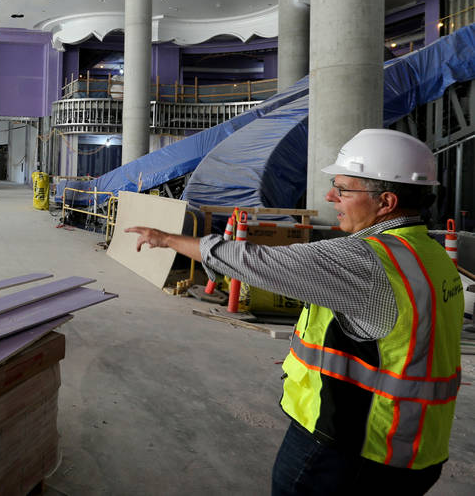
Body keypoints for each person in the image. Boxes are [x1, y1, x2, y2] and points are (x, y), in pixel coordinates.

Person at [126, 129, 463, 495]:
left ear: (385, 202)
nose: (330, 196)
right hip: (416, 449)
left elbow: (254, 262)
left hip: (350, 449)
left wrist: (168, 239)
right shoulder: (430, 254)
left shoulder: (366, 261)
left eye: (343, 189)